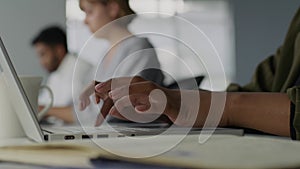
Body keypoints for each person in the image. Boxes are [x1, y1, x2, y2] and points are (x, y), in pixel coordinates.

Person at [90, 7, 300, 140]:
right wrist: (167, 112)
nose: (84, 21)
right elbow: (259, 92)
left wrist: (214, 107)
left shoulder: (136, 47)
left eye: (88, 11)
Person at [78, 0, 165, 122]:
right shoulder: (105, 54)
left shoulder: (139, 48)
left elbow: (120, 108)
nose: (85, 21)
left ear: (113, 9)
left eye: (90, 12)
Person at [32, 26, 93, 125]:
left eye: (43, 54)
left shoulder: (80, 69)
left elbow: (84, 113)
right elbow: (42, 103)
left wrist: (45, 110)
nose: (41, 62)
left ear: (59, 50)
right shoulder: (56, 74)